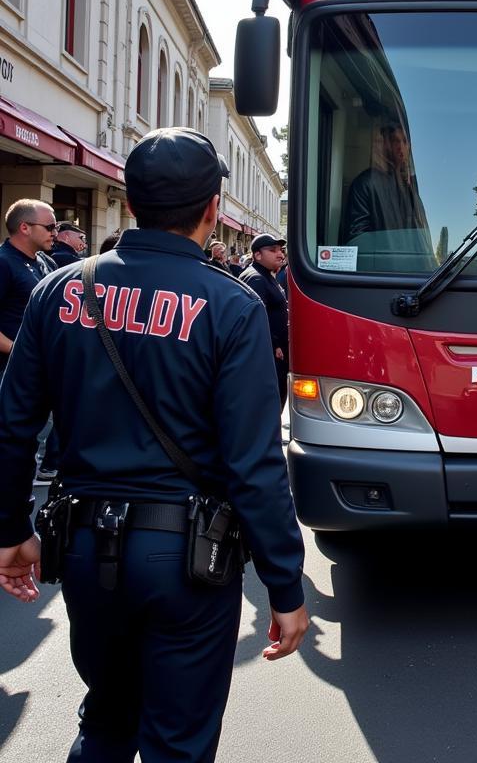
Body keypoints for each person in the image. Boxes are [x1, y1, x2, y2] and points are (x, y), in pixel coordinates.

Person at [0, 127, 308, 762]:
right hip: (188, 562)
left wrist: (10, 527)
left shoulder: (60, 290)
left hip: (85, 549)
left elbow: (12, 424)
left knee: (106, 722)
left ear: (132, 201)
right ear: (212, 210)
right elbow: (254, 463)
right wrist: (285, 584)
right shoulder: (231, 304)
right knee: (178, 744)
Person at [0, 200, 58, 480]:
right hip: (7, 372)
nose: (55, 232)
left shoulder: (45, 263)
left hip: (36, 371)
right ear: (24, 227)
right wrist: (17, 351)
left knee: (26, 447)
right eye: (49, 227)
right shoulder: (3, 262)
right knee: (9, 447)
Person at [341, 122, 430, 246]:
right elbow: (357, 241)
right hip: (382, 265)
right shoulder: (365, 184)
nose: (401, 147)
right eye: (395, 141)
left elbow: (422, 239)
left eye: (404, 141)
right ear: (386, 145)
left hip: (411, 265)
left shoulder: (410, 190)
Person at [240, 234, 289, 409]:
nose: (280, 254)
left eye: (281, 250)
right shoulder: (257, 278)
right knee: (270, 400)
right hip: (270, 354)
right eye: (273, 250)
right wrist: (274, 344)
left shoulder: (265, 275)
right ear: (257, 255)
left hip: (275, 351)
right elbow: (256, 318)